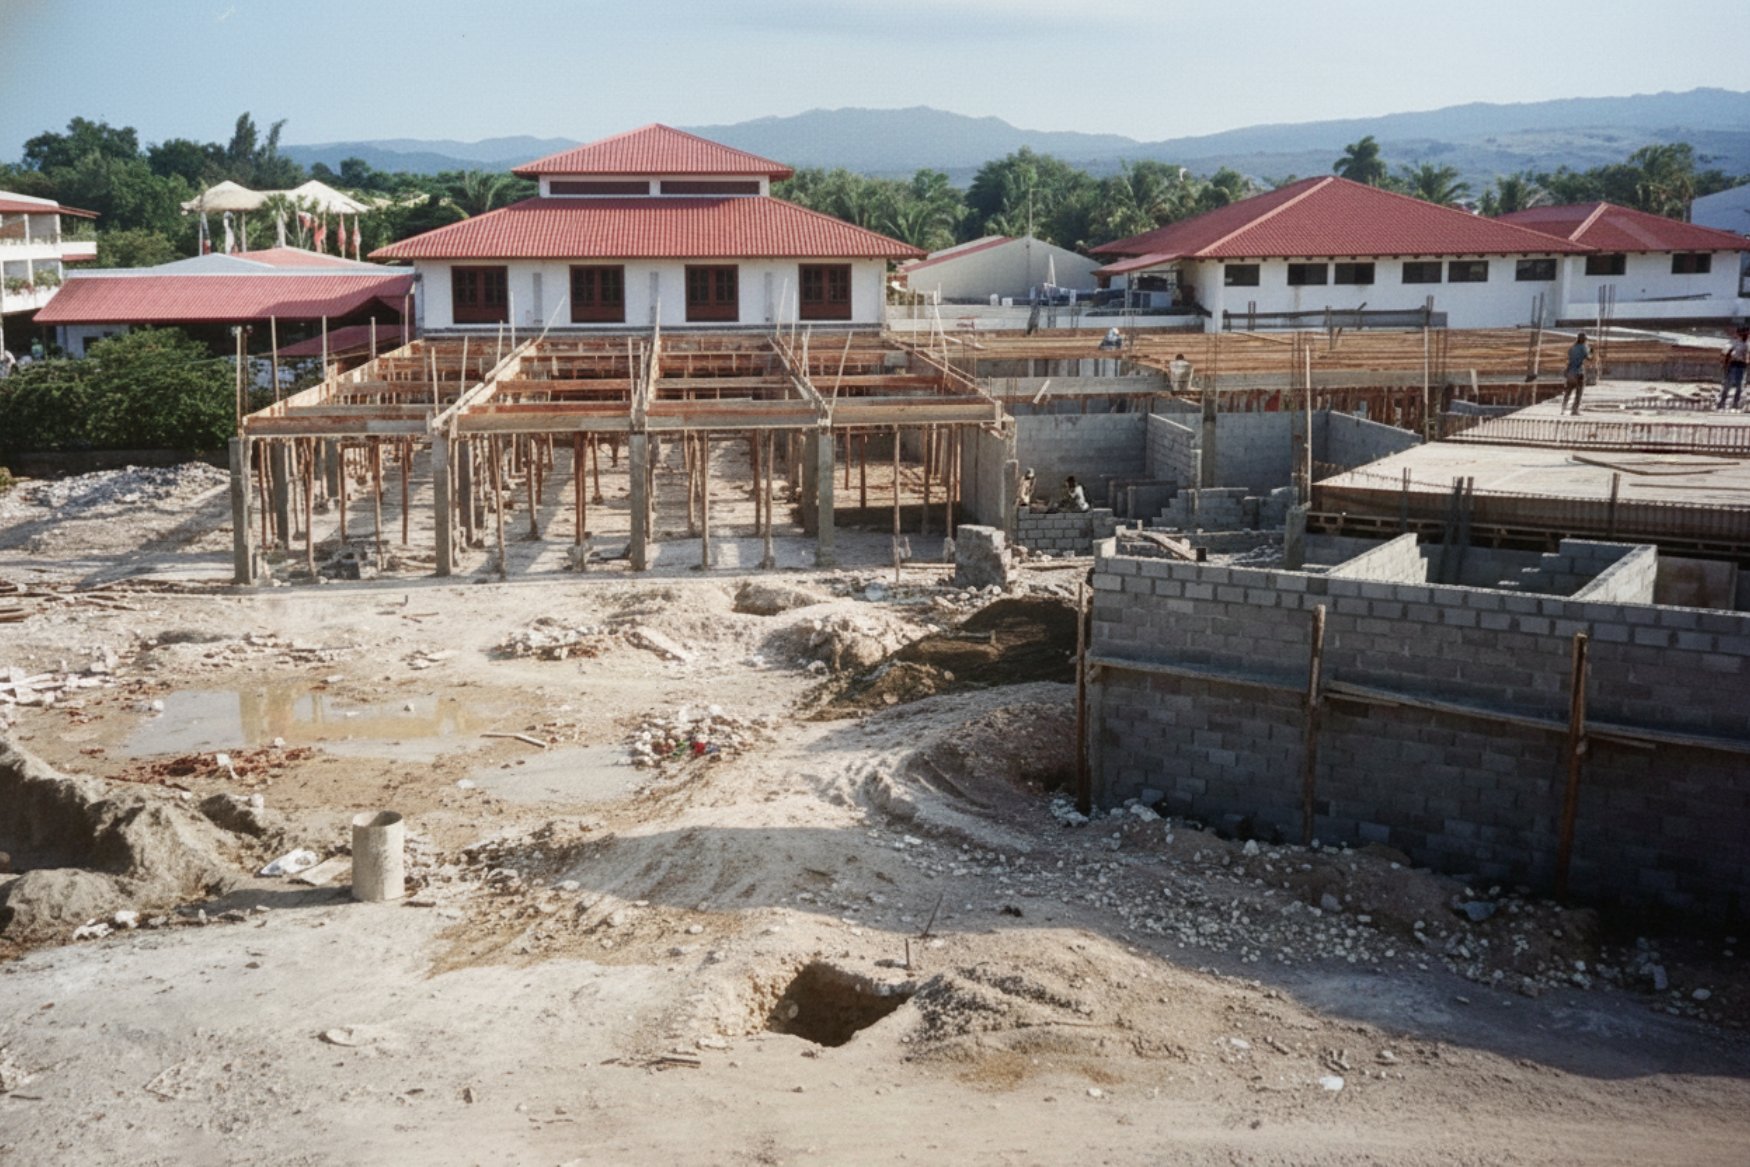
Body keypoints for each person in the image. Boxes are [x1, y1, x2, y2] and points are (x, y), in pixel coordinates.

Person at [1719, 327, 1749, 411]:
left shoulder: (1747, 343)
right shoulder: (1734, 342)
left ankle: (1735, 404)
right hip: (1733, 365)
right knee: (1728, 385)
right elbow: (1725, 352)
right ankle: (1722, 403)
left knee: (1740, 386)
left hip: (1742, 366)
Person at [1561, 332, 1590, 415]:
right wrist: (1591, 350)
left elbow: (1569, 358)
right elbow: (1589, 357)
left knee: (1568, 391)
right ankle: (1574, 410)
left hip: (1570, 372)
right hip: (1579, 372)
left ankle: (1563, 409)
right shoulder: (1583, 347)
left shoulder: (1572, 347)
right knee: (1579, 392)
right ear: (1584, 340)